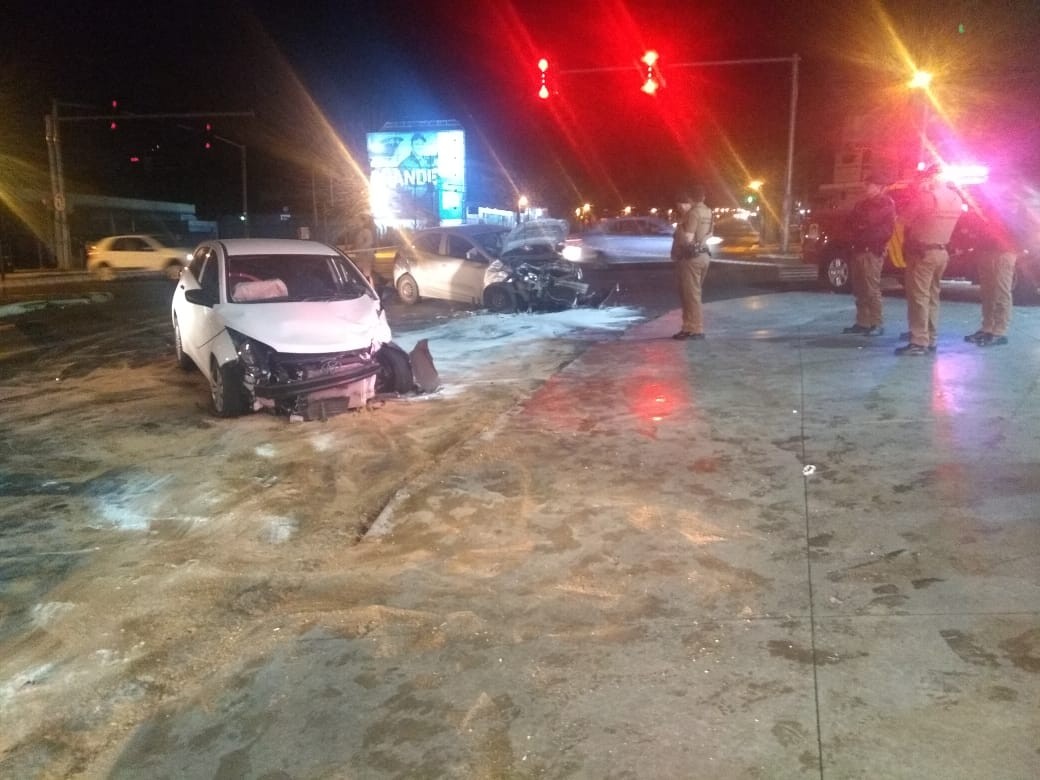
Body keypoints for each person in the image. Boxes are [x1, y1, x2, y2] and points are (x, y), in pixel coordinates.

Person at [894, 165, 964, 355]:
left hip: (922, 253)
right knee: (933, 296)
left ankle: (919, 341)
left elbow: (903, 219)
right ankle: (931, 337)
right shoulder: (956, 197)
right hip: (942, 252)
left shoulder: (927, 197)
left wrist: (919, 192)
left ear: (932, 177)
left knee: (919, 297)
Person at [964, 187, 1021, 347]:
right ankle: (987, 327)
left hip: (1003, 252)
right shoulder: (990, 208)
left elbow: (1016, 230)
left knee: (1001, 291)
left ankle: (1000, 330)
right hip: (987, 251)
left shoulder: (1012, 206)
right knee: (988, 291)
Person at [842, 173, 895, 337]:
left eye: (870, 185)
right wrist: (860, 226)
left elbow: (871, 220)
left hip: (872, 249)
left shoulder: (885, 203)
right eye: (867, 184)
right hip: (859, 248)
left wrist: (861, 224)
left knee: (871, 288)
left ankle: (877, 323)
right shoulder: (862, 203)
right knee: (859, 288)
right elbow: (850, 221)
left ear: (880, 187)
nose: (867, 188)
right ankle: (863, 322)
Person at [670, 187, 713, 340]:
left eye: (682, 203)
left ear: (690, 201)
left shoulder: (692, 214)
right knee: (690, 294)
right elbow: (710, 233)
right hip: (703, 256)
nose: (680, 207)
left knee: (692, 295)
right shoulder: (708, 212)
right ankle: (688, 327)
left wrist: (681, 234)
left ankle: (696, 329)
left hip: (691, 258)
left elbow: (687, 238)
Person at [349, 212, 376, 284]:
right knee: (361, 274)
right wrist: (353, 248)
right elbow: (358, 244)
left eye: (358, 221)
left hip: (366, 256)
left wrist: (360, 249)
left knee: (366, 275)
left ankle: (370, 290)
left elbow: (369, 242)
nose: (357, 223)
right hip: (361, 256)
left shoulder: (366, 232)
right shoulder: (359, 232)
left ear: (363, 222)